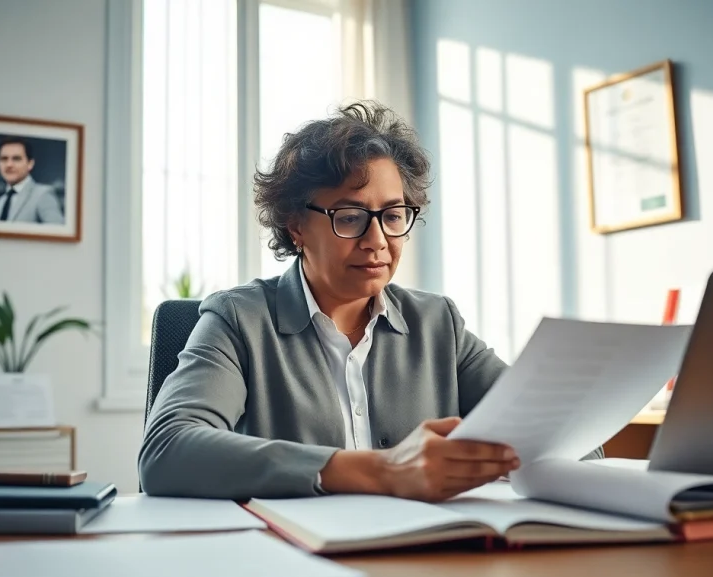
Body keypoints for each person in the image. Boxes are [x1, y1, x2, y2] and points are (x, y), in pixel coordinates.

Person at [138, 100, 603, 502]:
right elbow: (166, 450)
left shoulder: (438, 323)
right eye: (351, 216)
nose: (377, 240)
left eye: (394, 215)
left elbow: (570, 441)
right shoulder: (239, 320)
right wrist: (381, 470)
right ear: (296, 226)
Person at [0, 137, 65, 224]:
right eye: (4, 159)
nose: (9, 164)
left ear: (30, 164)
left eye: (16, 159)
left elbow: (57, 234)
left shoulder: (43, 194)